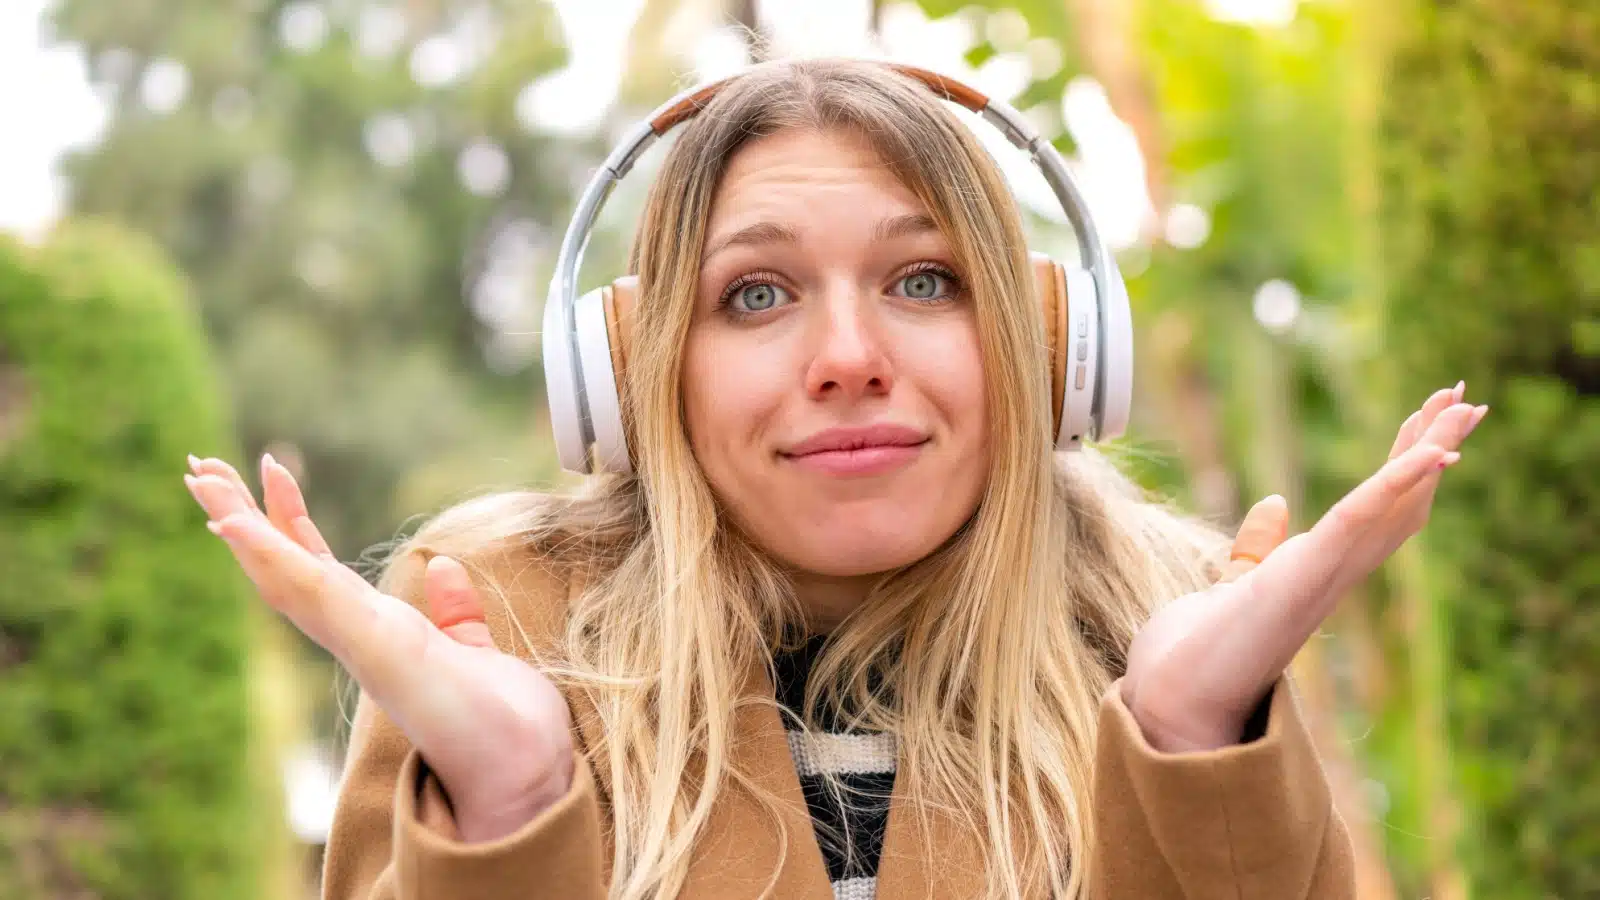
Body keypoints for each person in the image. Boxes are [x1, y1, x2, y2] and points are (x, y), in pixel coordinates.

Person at [182, 57, 1486, 900]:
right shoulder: (492, 620)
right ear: (637, 370)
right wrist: (513, 819)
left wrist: (1195, 750)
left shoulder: (1173, 616)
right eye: (756, 295)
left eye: (925, 282)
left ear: (1047, 346)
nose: (850, 359)